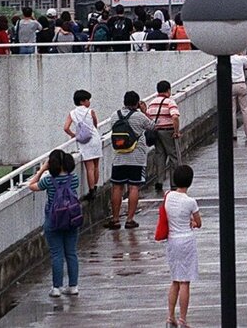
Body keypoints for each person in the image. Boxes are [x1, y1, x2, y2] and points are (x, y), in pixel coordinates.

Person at [28, 148, 81, 297]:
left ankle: (56, 288)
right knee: (71, 253)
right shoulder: (74, 178)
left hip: (54, 221)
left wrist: (42, 170)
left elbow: (31, 185)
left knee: (57, 254)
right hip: (71, 219)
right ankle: (73, 286)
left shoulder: (48, 181)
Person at [107, 91, 153, 229]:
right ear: (137, 102)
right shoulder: (140, 116)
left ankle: (115, 219)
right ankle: (130, 219)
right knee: (133, 187)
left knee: (117, 187)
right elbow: (152, 126)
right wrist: (145, 111)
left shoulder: (115, 116)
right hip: (136, 158)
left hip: (119, 157)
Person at [163, 164, 201, 328]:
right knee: (185, 281)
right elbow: (198, 223)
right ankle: (183, 319)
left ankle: (170, 316)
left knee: (175, 280)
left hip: (172, 240)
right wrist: (192, 222)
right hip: (186, 240)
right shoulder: (191, 202)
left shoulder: (168, 196)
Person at [145, 80, 182, 192]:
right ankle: (174, 183)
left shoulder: (152, 103)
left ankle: (159, 182)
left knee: (160, 156)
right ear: (168, 90)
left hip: (156, 132)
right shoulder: (170, 102)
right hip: (168, 131)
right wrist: (176, 131)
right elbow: (175, 117)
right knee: (173, 156)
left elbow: (148, 117)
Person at [64, 89, 101, 198]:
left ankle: (91, 191)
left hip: (84, 141)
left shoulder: (72, 113)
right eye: (87, 100)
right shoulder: (90, 111)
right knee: (96, 166)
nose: (89, 102)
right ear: (82, 101)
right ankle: (95, 186)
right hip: (94, 138)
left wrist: (73, 134)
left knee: (89, 167)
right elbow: (95, 124)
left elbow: (66, 128)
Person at [229, 48, 247, 141]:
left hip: (231, 85)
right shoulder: (241, 59)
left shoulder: (228, 59)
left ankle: (233, 133)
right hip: (241, 84)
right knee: (245, 109)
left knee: (232, 111)